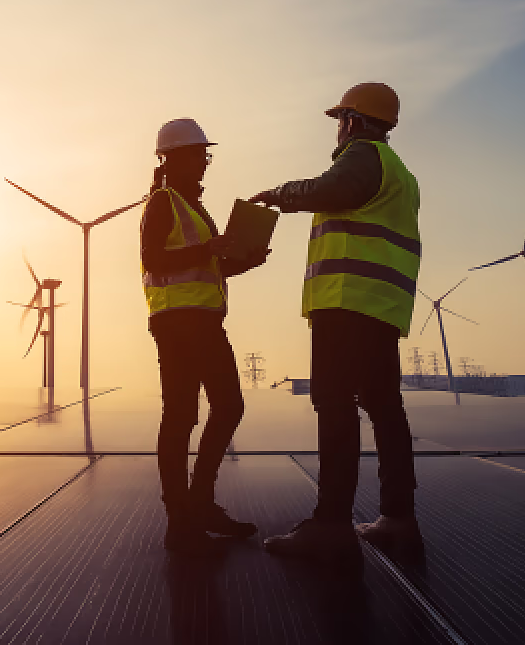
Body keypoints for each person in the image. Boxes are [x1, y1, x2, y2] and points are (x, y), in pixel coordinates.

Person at [250, 83, 423, 569]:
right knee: (385, 408)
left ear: (354, 120)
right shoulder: (400, 173)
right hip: (381, 305)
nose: (339, 129)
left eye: (341, 119)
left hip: (347, 301)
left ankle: (331, 525)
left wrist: (281, 194)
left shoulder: (362, 157)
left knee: (335, 404)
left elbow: (332, 189)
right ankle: (398, 517)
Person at [141, 117, 268, 556]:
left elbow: (206, 267)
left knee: (217, 409)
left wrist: (246, 261)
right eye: (198, 154)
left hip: (203, 321)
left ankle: (197, 505)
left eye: (205, 155)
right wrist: (208, 249)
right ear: (172, 158)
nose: (203, 162)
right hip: (178, 323)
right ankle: (182, 517)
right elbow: (153, 259)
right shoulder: (162, 202)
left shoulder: (193, 207)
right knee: (184, 416)